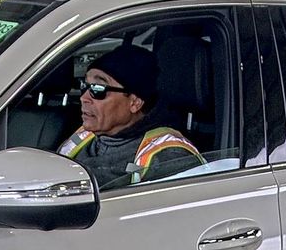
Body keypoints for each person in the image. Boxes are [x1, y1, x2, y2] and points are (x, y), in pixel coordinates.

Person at [58, 44, 202, 187]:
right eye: (84, 86)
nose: (84, 97)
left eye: (98, 89)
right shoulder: (82, 136)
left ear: (135, 103)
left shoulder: (169, 157)